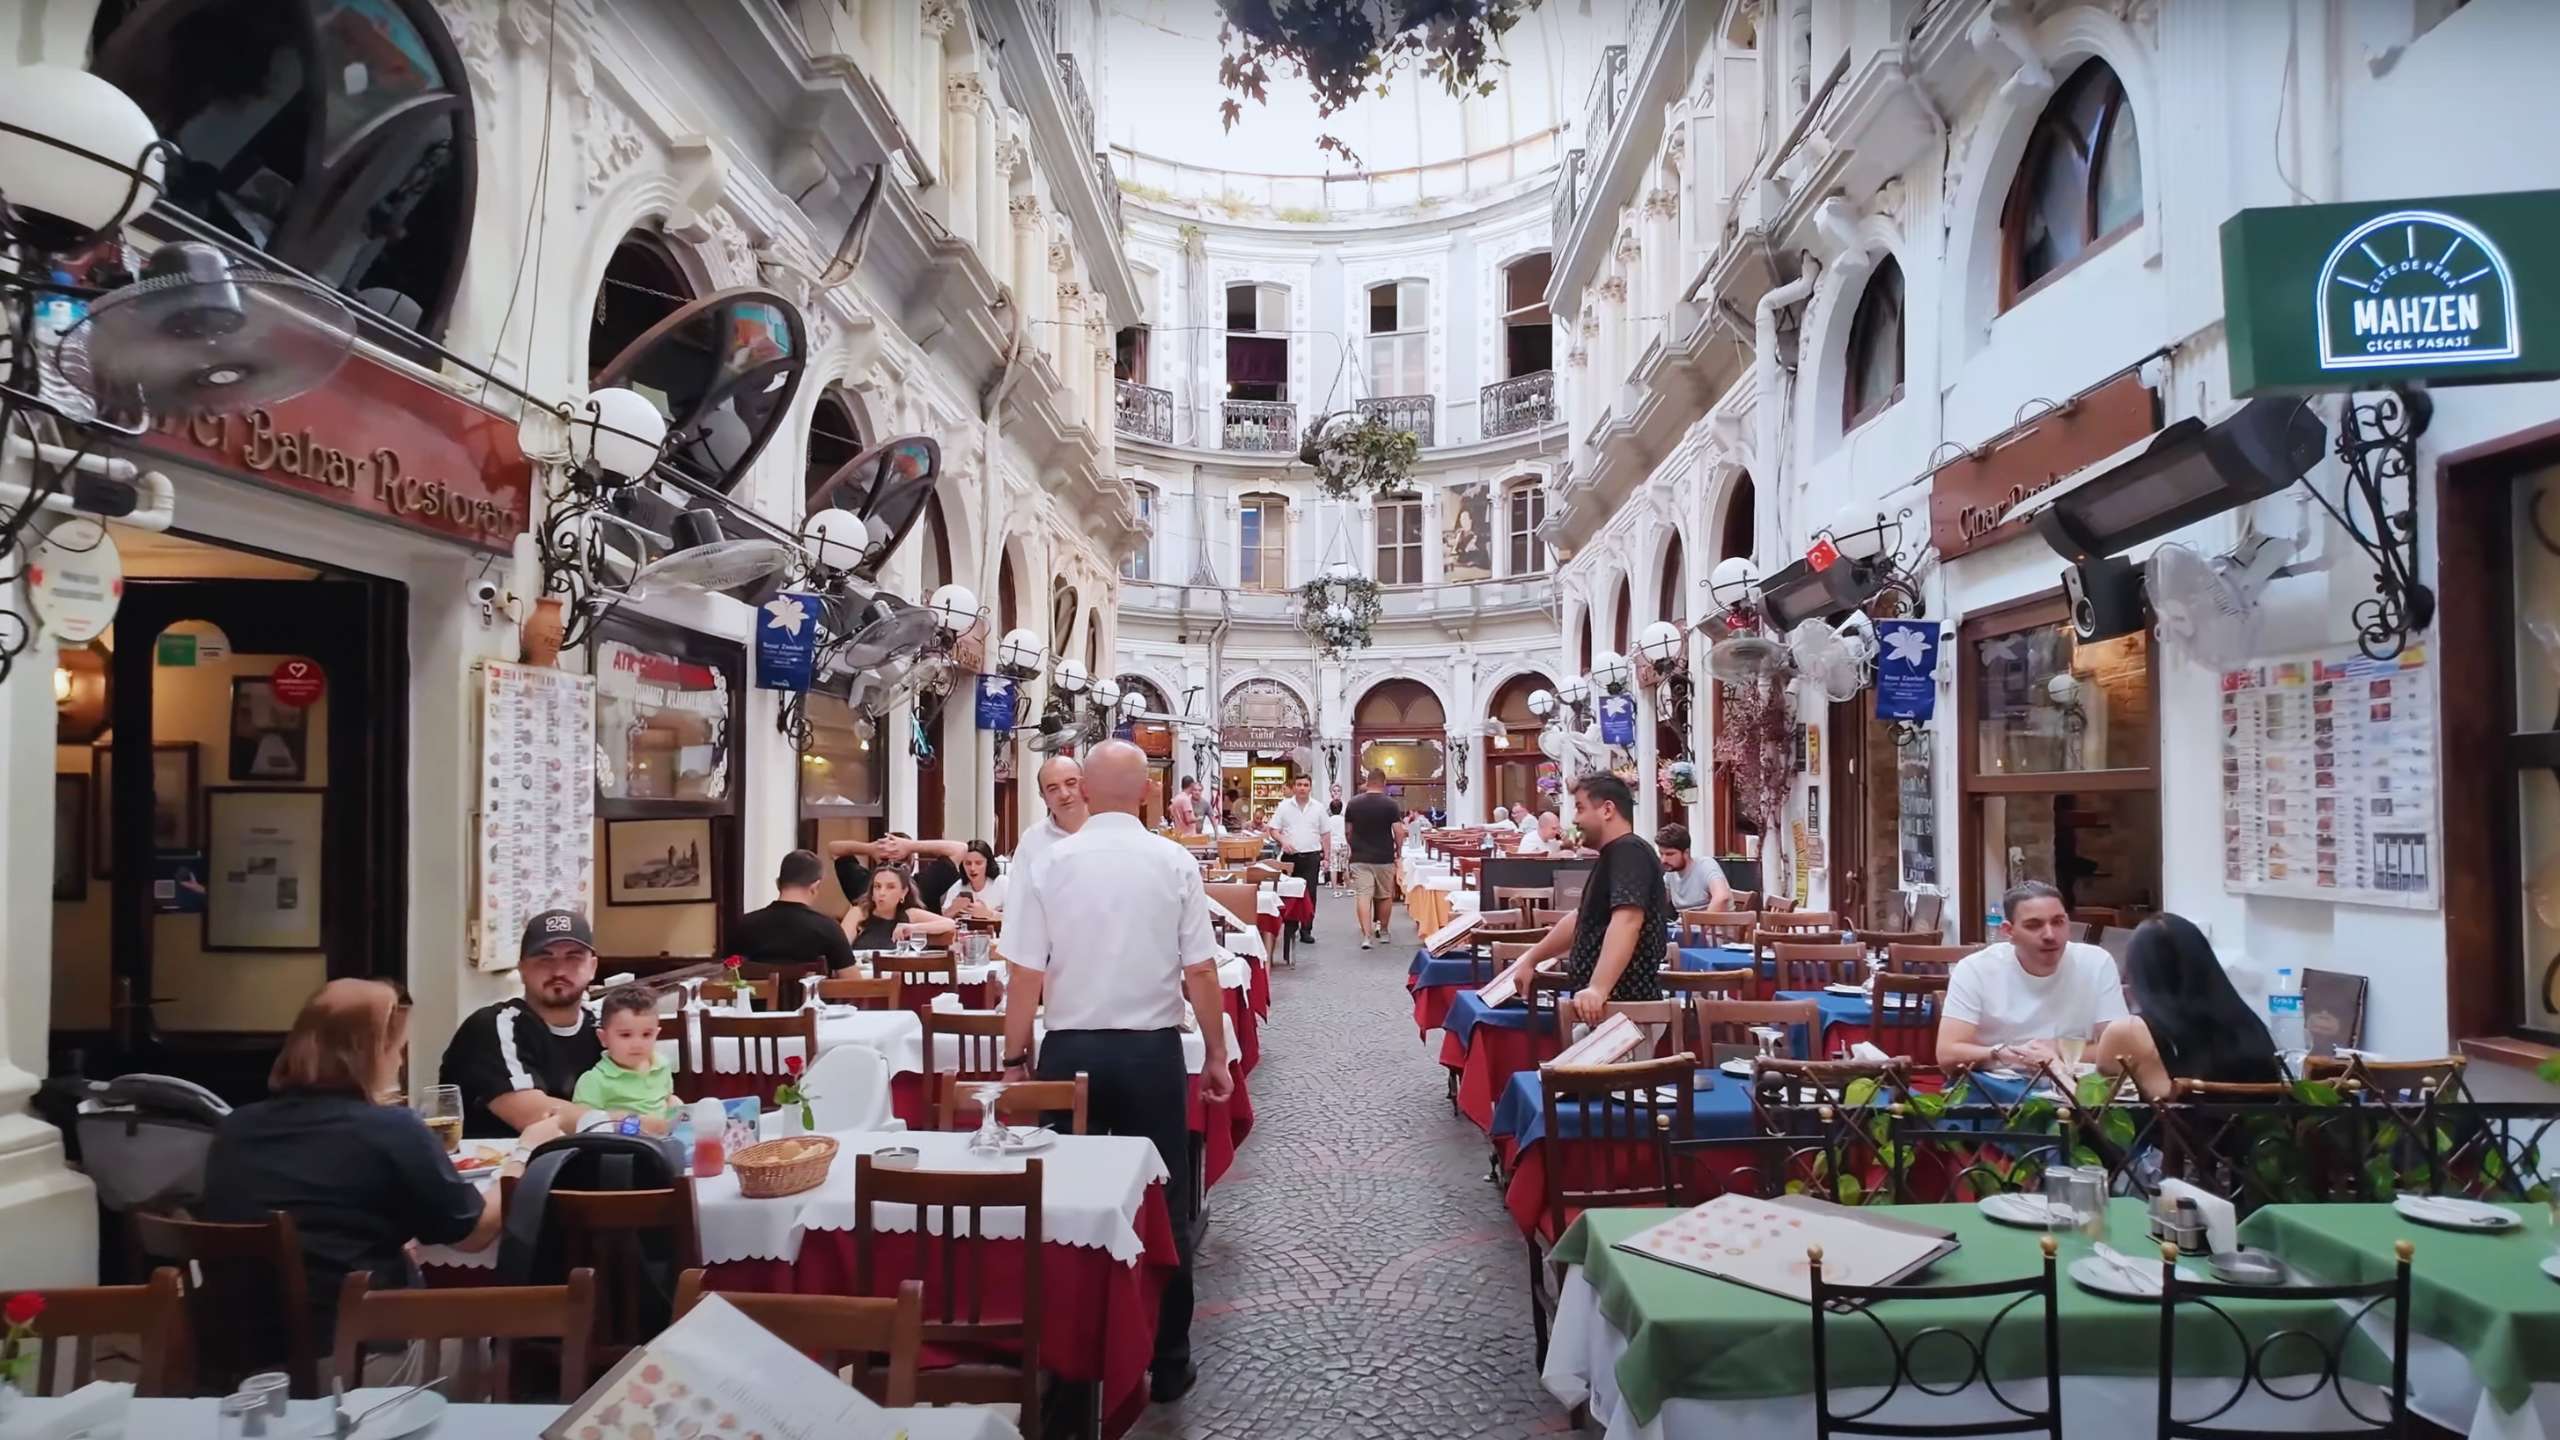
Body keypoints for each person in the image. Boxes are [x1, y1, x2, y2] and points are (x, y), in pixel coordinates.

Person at [998, 740, 1232, 1407]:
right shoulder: (1173, 861)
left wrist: (1017, 1060)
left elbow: (1024, 975)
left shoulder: (1050, 862)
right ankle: (1169, 1359)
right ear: (1148, 793)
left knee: (1062, 1202)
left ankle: (1070, 1363)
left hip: (1069, 1052)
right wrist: (1215, 1053)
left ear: (1088, 793)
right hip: (1151, 1052)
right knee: (1164, 1203)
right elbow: (1202, 971)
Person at [205, 979, 556, 1334]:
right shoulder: (392, 1130)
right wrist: (524, 1152)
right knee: (484, 1341)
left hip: (240, 1353)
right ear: (372, 1054)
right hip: (358, 1351)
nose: (399, 1061)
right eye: (397, 1049)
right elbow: (474, 1236)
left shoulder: (234, 1128)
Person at [1497, 775, 1672, 1022]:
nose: (1575, 819)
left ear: (1607, 809)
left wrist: (1599, 987)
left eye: (1580, 808)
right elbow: (1581, 919)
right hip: (1606, 1009)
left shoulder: (1629, 852)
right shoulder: (1613, 854)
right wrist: (1531, 958)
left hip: (1625, 1013)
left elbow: (1628, 920)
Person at [441, 910, 604, 1135]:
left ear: (592, 967)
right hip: (509, 1168)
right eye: (545, 959)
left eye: (573, 957)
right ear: (522, 969)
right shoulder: (492, 1027)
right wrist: (630, 1124)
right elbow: (537, 1117)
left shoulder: (605, 1027)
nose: (558, 971)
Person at [1937, 880, 2130, 1070]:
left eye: (2058, 922)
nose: (2050, 935)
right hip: (1997, 1088)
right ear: (2008, 931)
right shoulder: (1975, 969)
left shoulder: (2096, 962)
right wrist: (2005, 1053)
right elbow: (1948, 1054)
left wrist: (2057, 1050)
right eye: (2034, 925)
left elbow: (2122, 1050)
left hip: (2076, 1087)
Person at [2095, 914, 2280, 1098]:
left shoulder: (2128, 1031)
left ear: (2136, 971)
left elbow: (2093, 1101)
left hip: (2178, 1127)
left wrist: (2064, 1073)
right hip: (2255, 1126)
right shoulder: (2247, 1025)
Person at [730, 849, 857, 982]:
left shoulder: (745, 925)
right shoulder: (829, 928)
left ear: (778, 883)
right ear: (815, 887)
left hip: (756, 1003)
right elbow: (852, 983)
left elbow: (729, 975)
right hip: (809, 1003)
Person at [571, 985, 679, 1130]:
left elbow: (667, 1099)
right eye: (625, 1035)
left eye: (646, 1034)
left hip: (666, 1142)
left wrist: (678, 1109)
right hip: (621, 1149)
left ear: (657, 1034)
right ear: (603, 1038)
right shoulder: (593, 1081)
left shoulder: (662, 1065)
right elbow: (584, 1125)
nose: (637, 1044)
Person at [1344, 769, 1405, 950]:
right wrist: (1398, 850)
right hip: (1383, 857)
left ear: (1367, 781)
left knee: (1363, 895)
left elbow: (1348, 830)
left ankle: (1366, 936)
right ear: (1384, 782)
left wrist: (1353, 845)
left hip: (1360, 857)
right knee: (1385, 896)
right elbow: (1399, 831)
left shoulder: (1353, 803)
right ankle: (1384, 931)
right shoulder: (1390, 804)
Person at [1265, 773, 1326, 947]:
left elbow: (1325, 833)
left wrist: (1327, 856)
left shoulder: (1318, 808)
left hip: (1312, 855)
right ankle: (1291, 926)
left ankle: (1307, 929)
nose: (1302, 788)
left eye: (1305, 785)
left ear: (1310, 787)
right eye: (1299, 784)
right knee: (1290, 893)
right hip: (1290, 858)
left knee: (1310, 893)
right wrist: (1283, 841)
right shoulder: (1284, 807)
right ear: (1294, 787)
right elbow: (1273, 829)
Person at [839, 866, 955, 953]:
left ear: (903, 893)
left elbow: (950, 924)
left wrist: (912, 928)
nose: (882, 893)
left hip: (904, 977)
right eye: (877, 886)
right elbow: (840, 949)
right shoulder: (859, 912)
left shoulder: (911, 914)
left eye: (890, 887)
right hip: (865, 978)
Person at [1011, 754, 1090, 874]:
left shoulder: (1108, 827)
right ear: (1044, 797)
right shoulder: (1032, 840)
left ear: (1085, 785)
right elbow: (1018, 890)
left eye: (1070, 783)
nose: (1064, 794)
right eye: (1053, 789)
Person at [1657, 824, 1733, 911]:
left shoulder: (1705, 866)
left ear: (1686, 852)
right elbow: (1659, 901)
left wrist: (1705, 924)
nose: (1663, 860)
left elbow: (1722, 897)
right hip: (1682, 923)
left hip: (1713, 923)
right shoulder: (1670, 873)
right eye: (1661, 854)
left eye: (1670, 854)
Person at [941, 840, 1009, 921]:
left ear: (988, 863)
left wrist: (988, 914)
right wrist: (953, 909)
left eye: (978, 863)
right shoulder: (957, 886)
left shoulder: (1002, 883)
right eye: (968, 863)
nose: (972, 868)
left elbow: (1017, 918)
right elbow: (942, 919)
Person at [1323, 798, 1349, 889]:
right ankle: (1348, 887)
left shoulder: (1328, 820)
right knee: (1344, 866)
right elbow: (1347, 832)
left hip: (1333, 844)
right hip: (1343, 843)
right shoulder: (1344, 820)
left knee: (1333, 867)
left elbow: (1326, 834)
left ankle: (1335, 889)